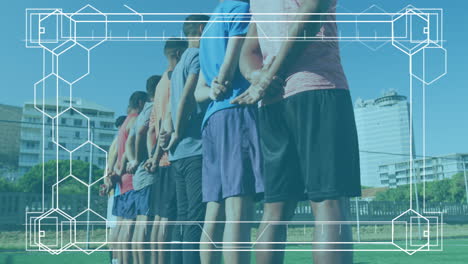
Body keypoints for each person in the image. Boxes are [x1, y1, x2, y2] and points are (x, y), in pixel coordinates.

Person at [232, 0, 361, 263]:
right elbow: (311, 15)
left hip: (272, 103)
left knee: (274, 213)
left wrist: (259, 77)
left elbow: (248, 51)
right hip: (317, 89)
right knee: (329, 204)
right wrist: (267, 77)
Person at [194, 1, 263, 263]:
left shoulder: (211, 23)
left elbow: (200, 90)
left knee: (215, 212)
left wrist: (213, 89)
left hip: (212, 120)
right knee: (239, 209)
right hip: (236, 112)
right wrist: (222, 80)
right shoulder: (240, 9)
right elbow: (235, 57)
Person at [161, 14, 209, 264]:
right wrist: (178, 131)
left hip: (178, 153)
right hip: (193, 149)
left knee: (182, 217)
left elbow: (170, 107)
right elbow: (188, 96)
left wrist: (169, 134)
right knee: (194, 219)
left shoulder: (178, 65)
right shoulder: (197, 56)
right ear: (202, 29)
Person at [143, 37, 188, 264]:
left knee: (160, 219)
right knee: (172, 220)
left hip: (161, 159)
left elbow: (153, 127)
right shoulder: (174, 79)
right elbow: (171, 115)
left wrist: (152, 156)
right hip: (173, 156)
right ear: (179, 54)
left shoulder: (161, 83)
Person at [125, 75, 161, 264]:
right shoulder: (152, 108)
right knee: (147, 224)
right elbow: (141, 133)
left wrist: (132, 160)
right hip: (147, 173)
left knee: (140, 224)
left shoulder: (140, 114)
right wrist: (142, 159)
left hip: (139, 176)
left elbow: (130, 141)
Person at [112, 91, 148, 264]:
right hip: (130, 179)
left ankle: (116, 261)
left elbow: (115, 152)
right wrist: (132, 161)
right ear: (140, 103)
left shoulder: (125, 121)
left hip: (122, 182)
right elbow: (129, 146)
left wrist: (114, 172)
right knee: (129, 228)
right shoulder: (134, 120)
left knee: (121, 227)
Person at [101, 115, 126, 264]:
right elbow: (111, 167)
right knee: (117, 228)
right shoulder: (119, 142)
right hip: (117, 189)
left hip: (113, 189)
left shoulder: (113, 142)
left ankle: (115, 260)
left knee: (113, 228)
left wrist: (106, 184)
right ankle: (116, 260)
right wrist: (109, 183)